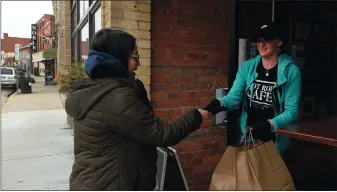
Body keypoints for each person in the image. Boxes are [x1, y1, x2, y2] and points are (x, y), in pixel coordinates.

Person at [65, 29, 210, 190]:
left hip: (89, 182)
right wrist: (196, 115)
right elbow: (163, 134)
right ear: (117, 57)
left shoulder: (93, 90)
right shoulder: (117, 98)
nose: (139, 63)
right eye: (135, 57)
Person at [204, 22, 302, 154]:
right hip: (249, 136)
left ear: (279, 42)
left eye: (267, 40)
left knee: (271, 174)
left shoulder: (291, 71)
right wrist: (218, 104)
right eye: (259, 40)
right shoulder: (247, 67)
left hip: (275, 140)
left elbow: (292, 111)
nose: (261, 44)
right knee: (247, 173)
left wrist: (269, 125)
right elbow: (234, 97)